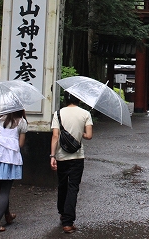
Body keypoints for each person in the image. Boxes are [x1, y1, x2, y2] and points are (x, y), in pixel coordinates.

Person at [50, 92, 93, 234]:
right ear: (78, 100)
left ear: (65, 99)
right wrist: (80, 133)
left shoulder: (58, 114)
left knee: (62, 185)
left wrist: (52, 156)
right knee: (73, 187)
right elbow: (89, 136)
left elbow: (55, 136)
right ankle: (68, 222)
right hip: (77, 157)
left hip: (62, 156)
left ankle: (62, 213)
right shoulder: (85, 114)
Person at [0, 110, 27, 233]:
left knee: (3, 188)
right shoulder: (22, 122)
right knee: (5, 191)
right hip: (11, 159)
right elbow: (20, 144)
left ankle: (7, 215)